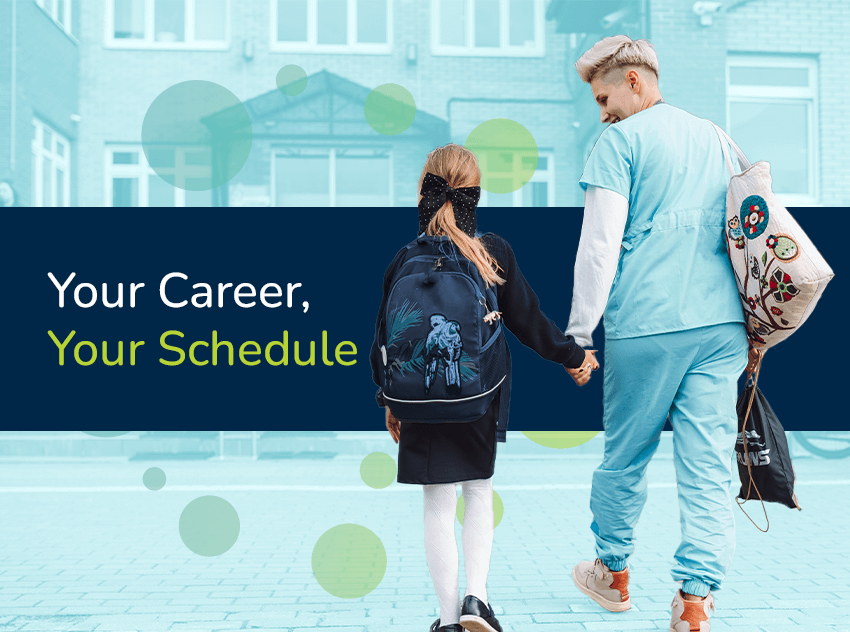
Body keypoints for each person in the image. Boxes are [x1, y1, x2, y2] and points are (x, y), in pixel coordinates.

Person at [564, 36, 756, 632]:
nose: (601, 111)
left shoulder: (618, 142)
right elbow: (750, 228)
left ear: (635, 82)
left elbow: (598, 247)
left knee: (625, 458)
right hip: (722, 325)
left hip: (647, 323)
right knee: (708, 467)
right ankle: (695, 600)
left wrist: (578, 332)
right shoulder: (720, 140)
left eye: (604, 96)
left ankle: (614, 573)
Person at [370, 143, 597, 632]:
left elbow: (384, 337)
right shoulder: (492, 252)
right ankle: (479, 599)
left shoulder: (403, 259)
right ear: (476, 192)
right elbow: (528, 320)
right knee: (477, 492)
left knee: (436, 501)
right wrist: (574, 357)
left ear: (423, 192)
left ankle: (447, 620)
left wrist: (389, 399)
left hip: (419, 399)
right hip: (479, 395)